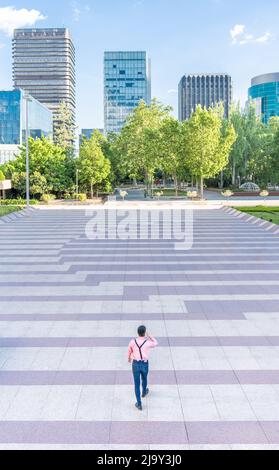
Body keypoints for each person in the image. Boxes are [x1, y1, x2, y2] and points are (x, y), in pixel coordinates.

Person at [128, 325, 158, 411]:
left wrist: (129, 358)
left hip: (135, 364)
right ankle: (144, 392)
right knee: (144, 378)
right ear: (144, 333)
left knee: (136, 384)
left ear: (137, 332)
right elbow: (156, 343)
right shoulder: (148, 342)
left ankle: (139, 403)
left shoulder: (132, 342)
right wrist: (150, 336)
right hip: (144, 364)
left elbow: (129, 350)